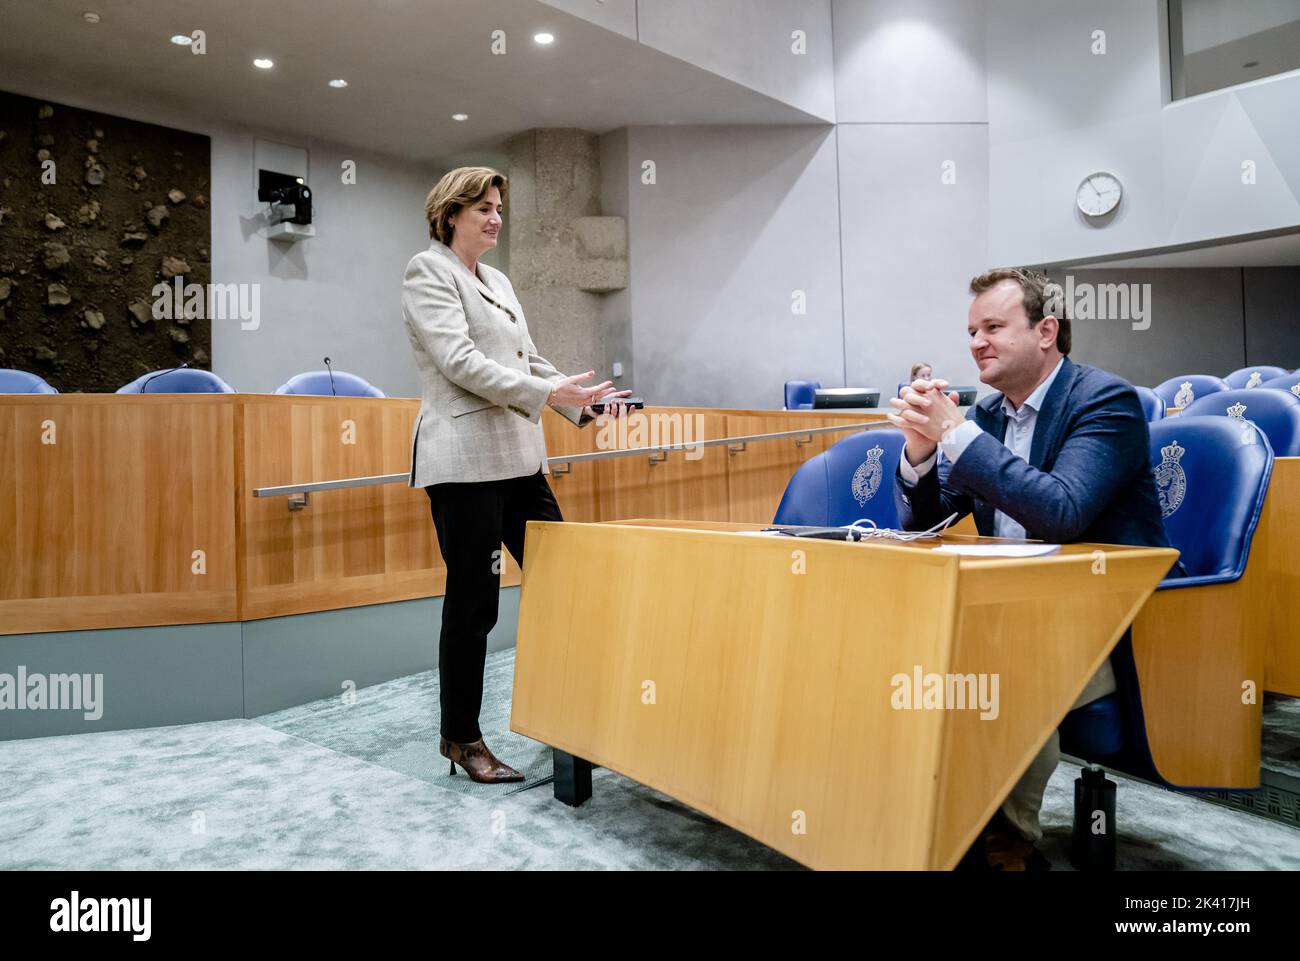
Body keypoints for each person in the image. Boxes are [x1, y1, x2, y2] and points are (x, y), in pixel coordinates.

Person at [886, 267, 1171, 871]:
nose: (976, 343)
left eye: (993, 326)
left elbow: (1063, 512)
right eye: (971, 330)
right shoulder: (990, 416)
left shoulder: (1104, 401)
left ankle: (1005, 841)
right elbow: (925, 523)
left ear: (1046, 331)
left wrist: (958, 437)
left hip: (1109, 620)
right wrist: (922, 451)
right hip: (1013, 607)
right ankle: (919, 813)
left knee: (1005, 653)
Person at [402, 166, 630, 784]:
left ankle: (573, 720)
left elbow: (526, 359)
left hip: (520, 459)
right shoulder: (429, 272)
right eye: (483, 209)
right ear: (451, 214)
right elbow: (460, 361)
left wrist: (579, 399)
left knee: (566, 580)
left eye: (499, 207)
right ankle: (461, 738)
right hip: (465, 464)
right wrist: (545, 389)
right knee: (475, 605)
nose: (496, 217)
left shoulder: (497, 279)